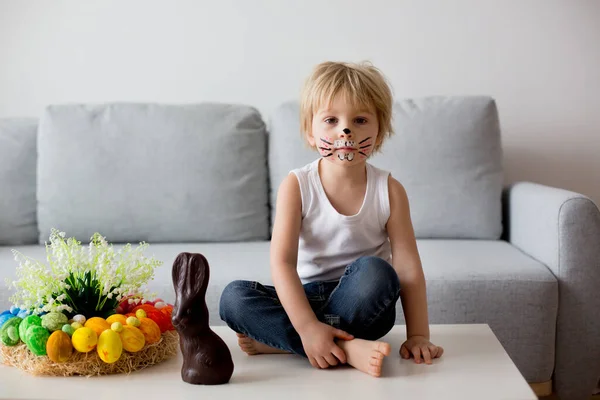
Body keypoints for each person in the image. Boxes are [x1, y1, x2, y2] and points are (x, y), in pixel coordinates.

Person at [220, 61, 443, 377]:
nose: (345, 130)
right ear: (311, 133)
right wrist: (307, 325)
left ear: (379, 132)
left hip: (364, 303)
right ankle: (343, 347)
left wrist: (419, 335)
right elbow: (282, 263)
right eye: (331, 120)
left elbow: (406, 267)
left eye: (360, 120)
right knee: (233, 298)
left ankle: (288, 341)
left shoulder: (390, 190)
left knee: (377, 270)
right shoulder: (297, 186)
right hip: (306, 300)